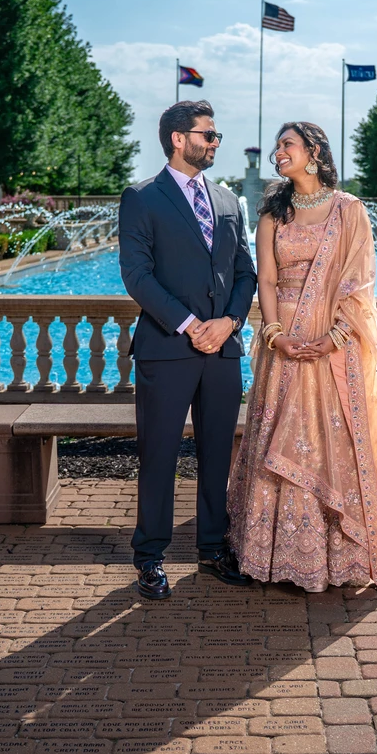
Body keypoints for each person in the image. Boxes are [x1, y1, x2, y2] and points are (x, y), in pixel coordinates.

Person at [228, 122, 377, 596]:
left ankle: (340, 553)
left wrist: (335, 336)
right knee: (277, 434)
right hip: (284, 343)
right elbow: (265, 280)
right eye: (276, 146)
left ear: (313, 152)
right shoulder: (273, 212)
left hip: (335, 344)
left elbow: (360, 281)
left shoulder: (348, 210)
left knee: (331, 437)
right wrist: (273, 335)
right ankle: (270, 553)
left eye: (286, 145)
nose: (278, 152)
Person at [118, 100, 257, 599]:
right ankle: (150, 556)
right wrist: (190, 323)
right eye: (209, 135)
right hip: (166, 349)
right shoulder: (141, 198)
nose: (215, 142)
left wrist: (228, 323)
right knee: (158, 456)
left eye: (216, 136)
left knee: (218, 456)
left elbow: (247, 272)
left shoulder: (227, 201)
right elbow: (137, 275)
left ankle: (213, 549)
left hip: (223, 351)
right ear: (179, 138)